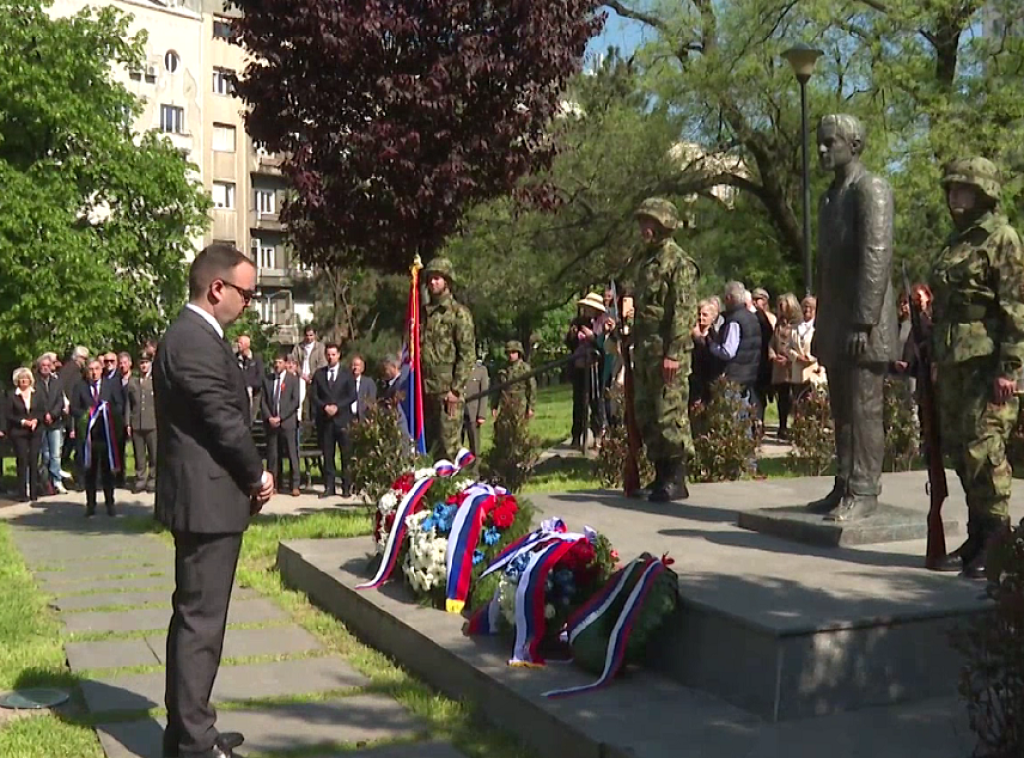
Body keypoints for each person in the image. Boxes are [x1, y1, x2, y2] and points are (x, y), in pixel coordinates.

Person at [154, 243, 274, 758]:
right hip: (207, 503)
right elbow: (224, 422)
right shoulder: (193, 340)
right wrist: (257, 476)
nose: (250, 303)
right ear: (217, 288)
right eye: (247, 294)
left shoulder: (197, 337)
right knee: (201, 624)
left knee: (195, 619)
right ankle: (195, 744)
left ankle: (188, 729)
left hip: (204, 500)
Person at [929, 157, 1024, 579]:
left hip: (986, 363)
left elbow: (1015, 308)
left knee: (986, 449)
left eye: (962, 188)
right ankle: (977, 535)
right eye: (951, 188)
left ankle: (998, 543)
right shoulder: (957, 241)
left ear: (984, 191)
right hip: (954, 360)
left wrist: (1010, 367)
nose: (954, 195)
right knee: (961, 449)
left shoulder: (1001, 237)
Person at [807, 113, 898, 522]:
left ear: (855, 145)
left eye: (831, 143)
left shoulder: (871, 189)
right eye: (820, 143)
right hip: (838, 319)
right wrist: (825, 325)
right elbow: (828, 268)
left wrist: (862, 322)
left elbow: (876, 257)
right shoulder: (830, 198)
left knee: (864, 408)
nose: (823, 150)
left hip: (866, 322)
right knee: (842, 409)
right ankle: (844, 482)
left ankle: (864, 489)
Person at [626, 197, 699, 502]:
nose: (644, 228)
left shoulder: (679, 263)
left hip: (669, 354)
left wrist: (673, 354)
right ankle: (659, 477)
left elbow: (683, 312)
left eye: (650, 222)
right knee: (648, 414)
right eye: (642, 222)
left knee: (669, 414)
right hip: (645, 353)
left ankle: (676, 479)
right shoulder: (645, 262)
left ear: (664, 225)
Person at [420, 257, 475, 461]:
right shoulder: (424, 315)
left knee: (449, 449)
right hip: (425, 392)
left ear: (447, 281)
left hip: (447, 393)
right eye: (430, 279)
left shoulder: (459, 314)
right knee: (429, 450)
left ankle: (456, 491)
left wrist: (455, 389)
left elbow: (467, 355)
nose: (433, 283)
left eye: (437, 278)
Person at [71, 358, 125, 516]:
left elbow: (119, 405)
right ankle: (90, 505)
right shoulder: (80, 387)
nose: (94, 373)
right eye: (90, 370)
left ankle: (110, 504)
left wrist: (110, 413)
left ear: (101, 370)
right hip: (88, 437)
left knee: (107, 472)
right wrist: (86, 415)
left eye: (96, 369)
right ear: (86, 372)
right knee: (90, 472)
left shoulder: (111, 385)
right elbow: (74, 408)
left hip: (106, 435)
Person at [310, 344, 356, 498]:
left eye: (334, 354)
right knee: (328, 455)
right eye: (328, 354)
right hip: (326, 421)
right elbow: (314, 396)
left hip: (343, 420)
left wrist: (338, 407)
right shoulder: (319, 374)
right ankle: (329, 487)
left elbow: (352, 395)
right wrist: (325, 407)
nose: (331, 357)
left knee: (346, 455)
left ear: (339, 355)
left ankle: (346, 487)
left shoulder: (347, 374)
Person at [566, 293, 608, 449]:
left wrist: (592, 337)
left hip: (595, 367)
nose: (587, 310)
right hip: (579, 367)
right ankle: (577, 436)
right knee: (579, 403)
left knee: (596, 401)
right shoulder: (578, 322)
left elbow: (603, 344)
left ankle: (598, 434)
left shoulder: (601, 322)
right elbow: (570, 343)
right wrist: (573, 334)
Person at [261, 352, 301, 497]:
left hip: (287, 423)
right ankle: (274, 485)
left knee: (292, 453)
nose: (277, 365)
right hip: (272, 424)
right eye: (275, 362)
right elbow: (263, 401)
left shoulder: (292, 380)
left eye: (279, 362)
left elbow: (295, 401)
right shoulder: (268, 380)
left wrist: (281, 417)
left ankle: (295, 484)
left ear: (285, 363)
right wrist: (269, 417)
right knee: (273, 455)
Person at [8, 368, 45, 502]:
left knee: (34, 460)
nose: (24, 382)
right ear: (17, 381)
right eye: (21, 379)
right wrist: (23, 422)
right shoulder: (12, 395)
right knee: (22, 460)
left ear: (30, 380)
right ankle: (22, 492)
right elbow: (9, 414)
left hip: (35, 431)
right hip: (19, 432)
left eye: (26, 379)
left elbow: (42, 410)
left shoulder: (37, 394)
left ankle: (34, 492)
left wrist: (36, 420)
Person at [768, 293, 801, 439]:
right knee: (782, 396)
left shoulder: (798, 323)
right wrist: (773, 356)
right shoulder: (779, 323)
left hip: (793, 364)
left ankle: (799, 426)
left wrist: (789, 359)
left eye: (783, 304)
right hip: (779, 366)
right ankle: (782, 427)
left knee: (795, 397)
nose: (780, 307)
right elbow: (772, 341)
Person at [35, 353, 67, 495]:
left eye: (48, 366)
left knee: (55, 454)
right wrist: (44, 415)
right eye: (43, 366)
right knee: (45, 454)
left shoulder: (57, 382)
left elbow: (60, 401)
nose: (46, 368)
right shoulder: (35, 383)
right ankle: (44, 481)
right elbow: (35, 402)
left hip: (55, 423)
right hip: (41, 423)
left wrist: (53, 414)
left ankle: (57, 481)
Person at [128, 353, 158, 493]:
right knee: (138, 454)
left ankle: (152, 479)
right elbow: (129, 405)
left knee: (153, 453)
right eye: (141, 363)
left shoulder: (155, 381)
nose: (144, 366)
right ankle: (140, 479)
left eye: (146, 362)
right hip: (136, 423)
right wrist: (128, 423)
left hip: (152, 423)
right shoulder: (132, 382)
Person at [688, 299, 723, 409]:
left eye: (705, 315)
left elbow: (709, 357)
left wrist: (698, 338)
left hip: (707, 383)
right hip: (692, 381)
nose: (701, 318)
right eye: (699, 314)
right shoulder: (689, 336)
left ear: (712, 318)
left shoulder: (715, 337)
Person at [491, 341, 536, 420]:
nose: (511, 355)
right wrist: (494, 406)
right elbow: (497, 389)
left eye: (513, 352)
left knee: (520, 430)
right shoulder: (502, 369)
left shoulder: (525, 368)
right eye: (509, 352)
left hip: (520, 406)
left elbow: (531, 388)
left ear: (519, 353)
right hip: (505, 406)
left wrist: (531, 407)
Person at [462, 358, 490, 456]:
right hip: (459, 410)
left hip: (473, 411)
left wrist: (481, 414)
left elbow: (484, 393)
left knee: (474, 441)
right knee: (457, 442)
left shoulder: (481, 370)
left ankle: (475, 466)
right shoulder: (459, 368)